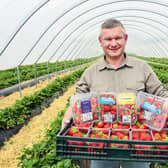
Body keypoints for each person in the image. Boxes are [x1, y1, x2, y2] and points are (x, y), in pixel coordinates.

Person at [61, 18, 168, 168]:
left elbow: (162, 94)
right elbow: (78, 100)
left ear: (125, 39)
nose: (113, 43)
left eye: (118, 38)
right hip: (101, 145)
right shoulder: (90, 73)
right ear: (101, 41)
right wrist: (68, 115)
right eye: (108, 39)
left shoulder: (142, 68)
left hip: (136, 144)